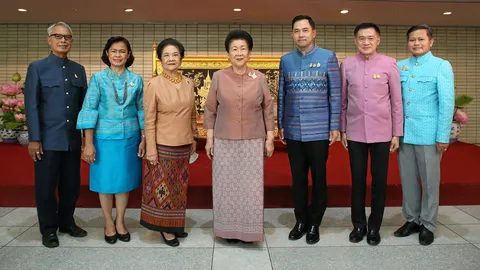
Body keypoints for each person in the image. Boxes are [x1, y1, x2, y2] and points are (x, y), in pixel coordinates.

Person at [204, 30, 275, 244]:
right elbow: (210, 109)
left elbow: (268, 109)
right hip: (224, 139)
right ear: (228, 54)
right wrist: (209, 139)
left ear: (250, 52)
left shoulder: (259, 78)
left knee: (251, 187)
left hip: (253, 139)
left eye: (243, 48)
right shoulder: (218, 77)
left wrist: (270, 138)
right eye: (234, 49)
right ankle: (227, 231)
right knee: (225, 187)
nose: (239, 52)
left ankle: (249, 232)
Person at [277, 15, 341, 245]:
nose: (301, 34)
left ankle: (315, 222)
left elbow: (336, 93)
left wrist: (335, 125)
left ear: (314, 33)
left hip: (319, 129)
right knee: (298, 178)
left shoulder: (328, 57)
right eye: (296, 31)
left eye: (305, 30)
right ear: (292, 34)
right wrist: (281, 124)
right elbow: (281, 94)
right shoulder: (286, 60)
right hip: (293, 129)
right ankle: (301, 220)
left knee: (319, 177)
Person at [24, 22, 87, 248]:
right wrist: (34, 138)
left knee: (71, 185)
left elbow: (83, 107)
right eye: (58, 36)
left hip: (71, 140)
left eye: (67, 37)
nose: (63, 40)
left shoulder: (78, 69)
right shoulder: (37, 68)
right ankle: (49, 229)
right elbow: (31, 105)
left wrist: (85, 139)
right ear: (49, 40)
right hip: (47, 140)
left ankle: (66, 222)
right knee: (46, 186)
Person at [77, 36, 145, 244]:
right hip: (103, 139)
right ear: (107, 54)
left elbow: (142, 110)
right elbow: (89, 110)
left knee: (124, 182)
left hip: (129, 138)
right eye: (113, 51)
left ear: (129, 55)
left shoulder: (137, 79)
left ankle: (121, 221)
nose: (117, 55)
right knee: (106, 183)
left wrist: (144, 138)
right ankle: (108, 222)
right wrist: (88, 143)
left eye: (122, 51)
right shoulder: (98, 79)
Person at [340, 23, 403, 246]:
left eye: (370, 38)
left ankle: (374, 226)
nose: (365, 42)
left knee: (379, 181)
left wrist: (397, 132)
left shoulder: (389, 64)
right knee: (357, 180)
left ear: (378, 40)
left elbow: (396, 101)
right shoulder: (347, 65)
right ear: (355, 41)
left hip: (382, 133)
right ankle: (358, 225)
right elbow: (343, 101)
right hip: (355, 132)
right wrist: (343, 129)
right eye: (361, 38)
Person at [394, 24, 455, 246]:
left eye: (421, 39)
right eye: (412, 40)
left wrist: (442, 136)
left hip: (429, 135)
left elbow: (446, 103)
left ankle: (428, 224)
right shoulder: (399, 66)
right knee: (407, 180)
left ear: (431, 41)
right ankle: (412, 219)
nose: (416, 43)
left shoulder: (441, 66)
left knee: (430, 182)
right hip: (404, 135)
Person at [141, 38, 198, 247]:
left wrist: (194, 136)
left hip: (183, 143)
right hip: (162, 145)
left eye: (175, 54)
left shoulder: (189, 82)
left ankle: (175, 224)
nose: (171, 58)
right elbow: (149, 120)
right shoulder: (153, 84)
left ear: (181, 58)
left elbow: (192, 113)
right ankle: (164, 228)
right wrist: (151, 150)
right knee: (162, 188)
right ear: (160, 60)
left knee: (178, 187)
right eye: (167, 55)